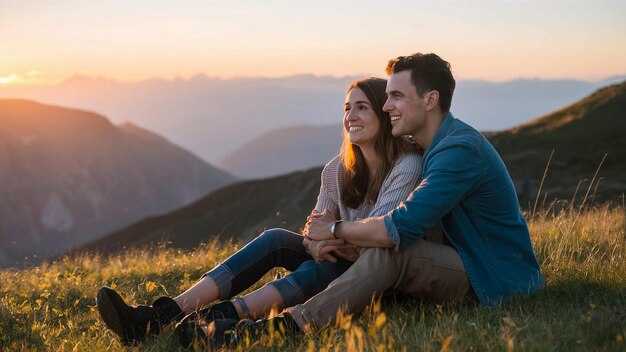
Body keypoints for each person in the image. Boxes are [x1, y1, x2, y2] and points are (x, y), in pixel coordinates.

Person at [216, 52, 544, 346]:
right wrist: (318, 240)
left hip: (493, 278)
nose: (386, 107)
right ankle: (204, 310)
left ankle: (288, 326)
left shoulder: (458, 151)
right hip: (462, 261)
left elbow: (397, 228)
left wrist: (334, 230)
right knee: (289, 242)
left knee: (393, 252)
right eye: (386, 97)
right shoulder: (431, 147)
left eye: (397, 97)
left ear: (430, 100)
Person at [96, 77, 433, 347]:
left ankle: (221, 320)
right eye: (347, 108)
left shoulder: (406, 166)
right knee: (277, 239)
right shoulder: (335, 171)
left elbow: (383, 240)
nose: (350, 116)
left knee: (327, 268)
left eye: (362, 107)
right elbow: (313, 231)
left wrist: (331, 237)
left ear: (383, 114)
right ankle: (162, 315)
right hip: (341, 259)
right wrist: (319, 243)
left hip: (379, 282)